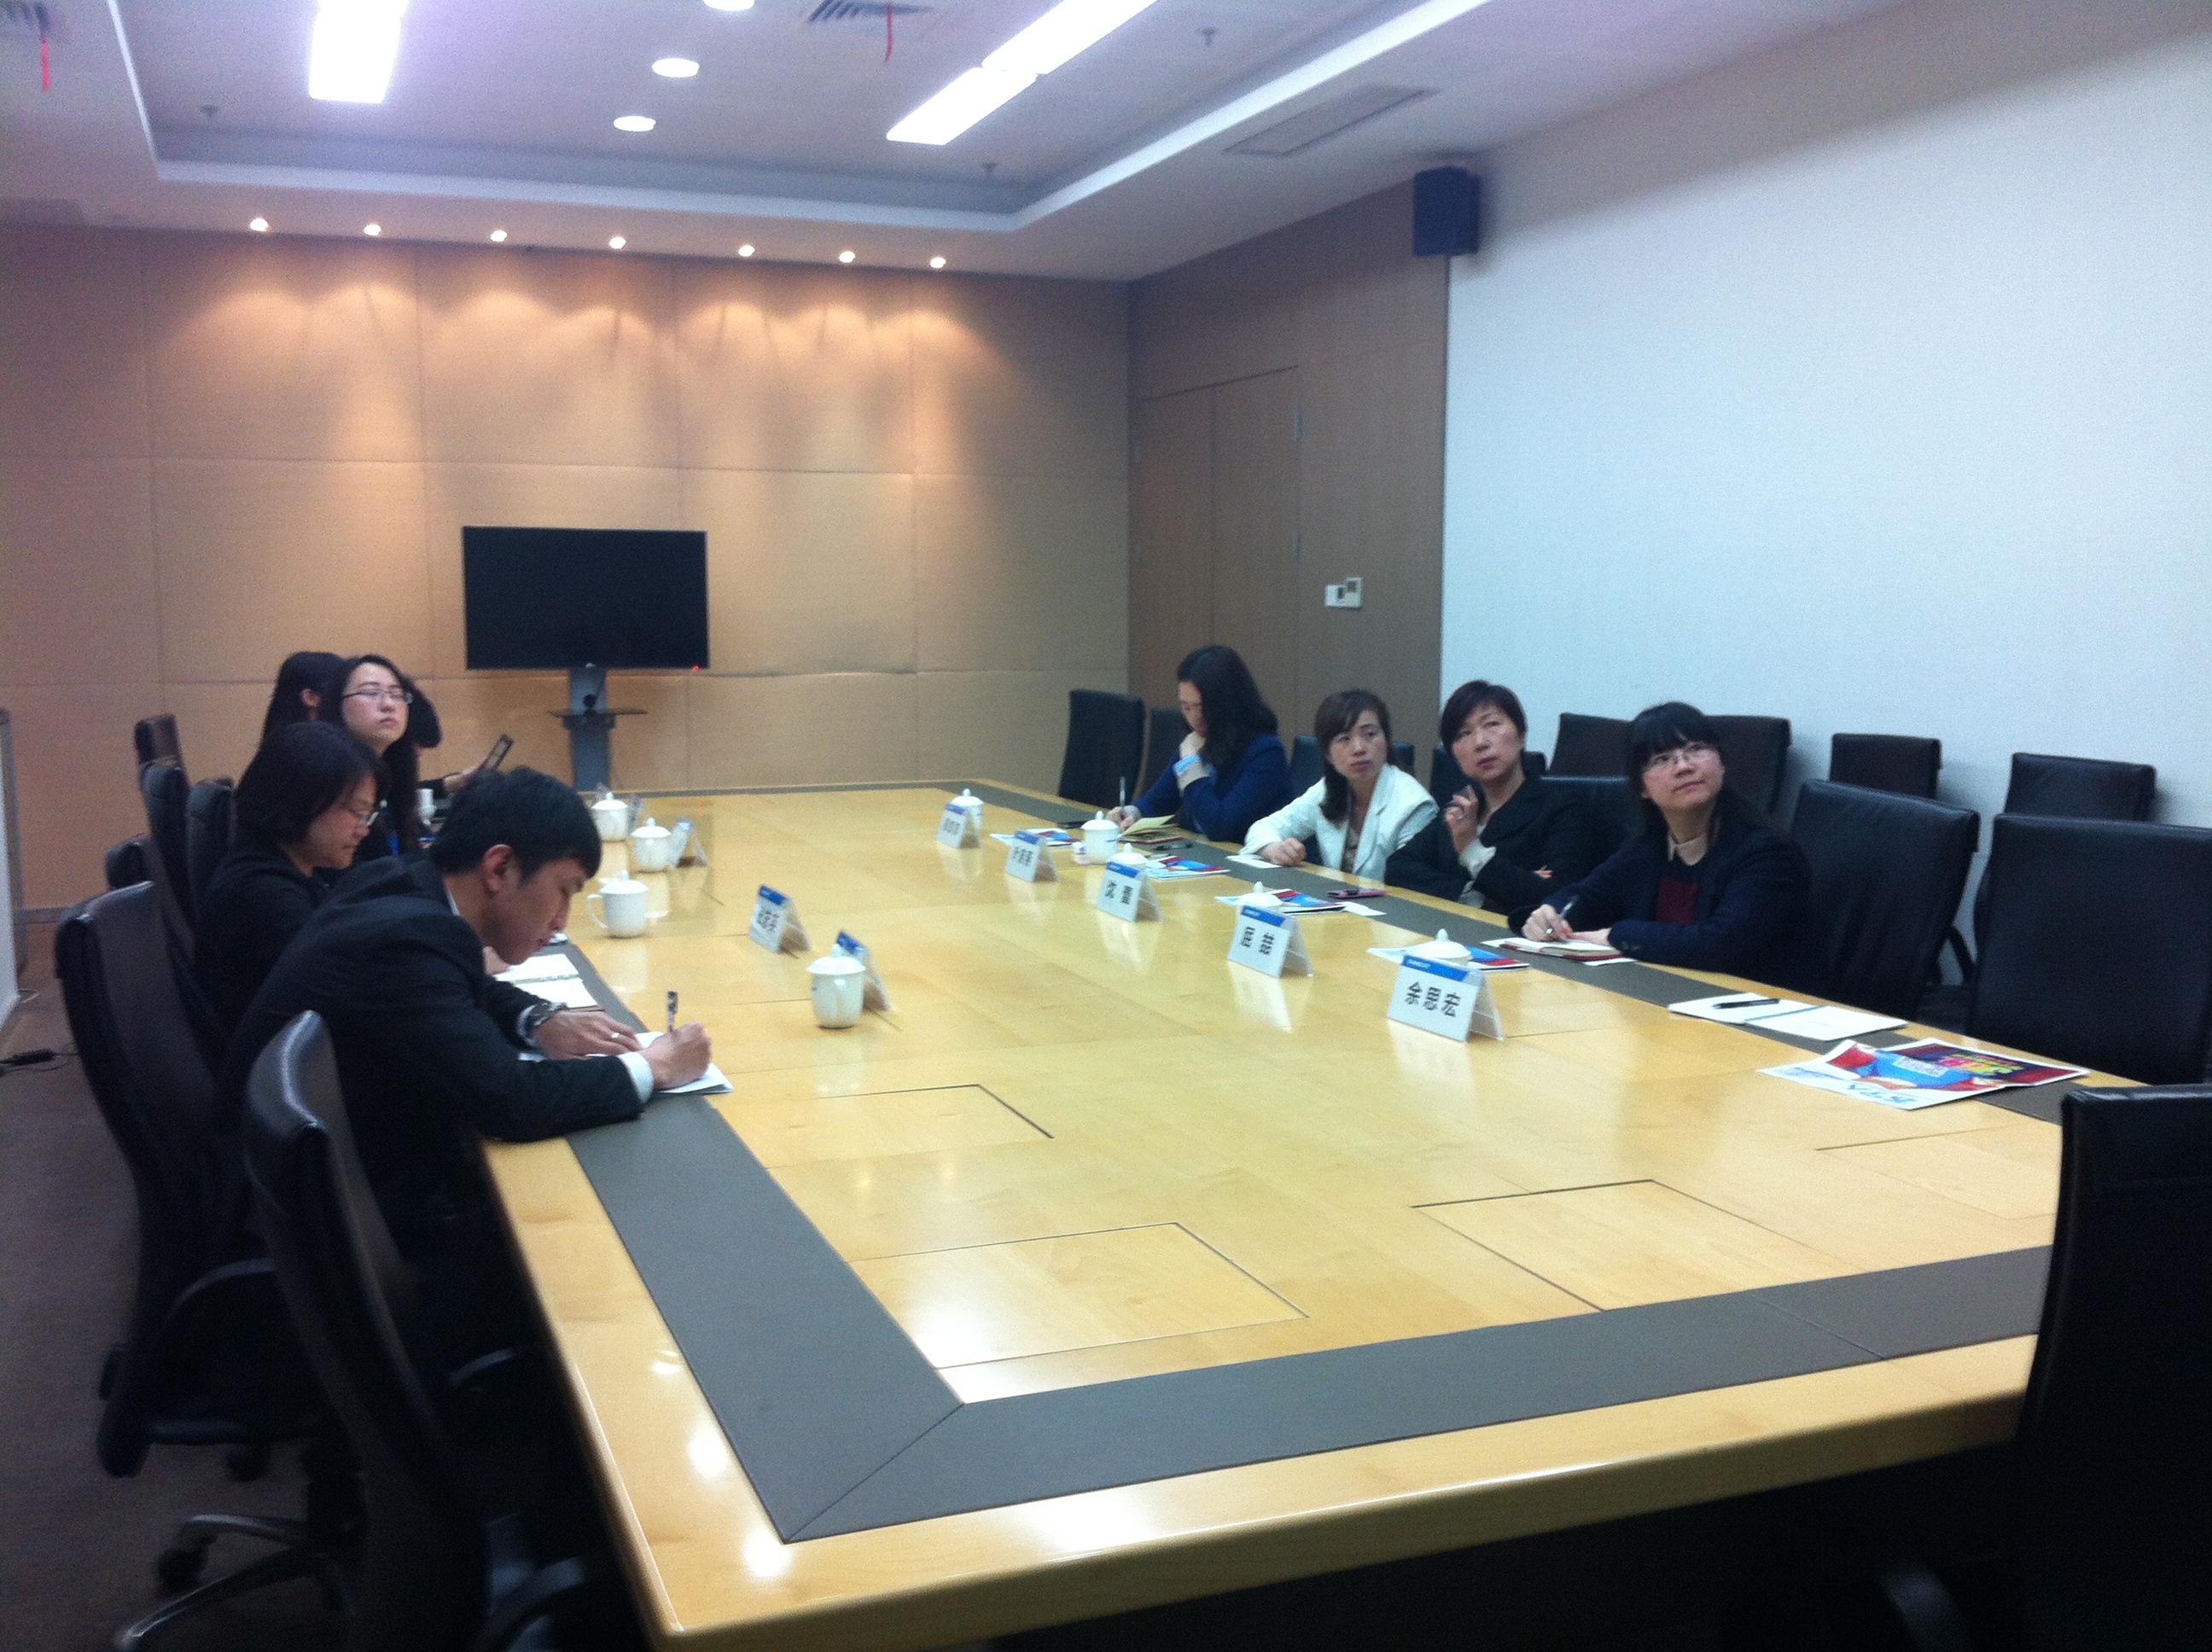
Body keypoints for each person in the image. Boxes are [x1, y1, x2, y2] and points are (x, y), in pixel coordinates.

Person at [219, 768, 710, 1342]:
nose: (561, 921)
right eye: (565, 890)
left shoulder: (402, 882)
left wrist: (539, 1020)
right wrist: (653, 1066)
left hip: (311, 1201)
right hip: (343, 1260)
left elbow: (447, 985)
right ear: (499, 868)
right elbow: (512, 1102)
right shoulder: (406, 941)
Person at [1522, 701, 1812, 984]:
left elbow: (1719, 944)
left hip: (1759, 1004)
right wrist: (1549, 913)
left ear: (1722, 763)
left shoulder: (1768, 853)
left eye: (1696, 749)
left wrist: (1617, 935)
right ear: (1642, 787)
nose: (1684, 766)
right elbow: (1585, 896)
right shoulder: (1646, 850)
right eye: (1662, 759)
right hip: (1671, 993)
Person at [194, 723, 383, 1034]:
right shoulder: (265, 898)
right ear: (302, 800)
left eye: (368, 816)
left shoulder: (279, 867)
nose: (363, 830)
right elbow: (345, 1002)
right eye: (356, 812)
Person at [1386, 681, 1604, 916]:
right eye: (1464, 733)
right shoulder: (1461, 808)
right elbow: (1398, 867)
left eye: (1492, 724)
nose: (1480, 742)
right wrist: (1474, 896)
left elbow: (1560, 898)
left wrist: (1471, 850)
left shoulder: (1563, 808)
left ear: (1521, 735)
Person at [1243, 690, 1435, 881]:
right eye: (1344, 738)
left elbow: (1408, 881)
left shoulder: (1414, 805)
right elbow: (1263, 828)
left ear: (1386, 740)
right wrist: (1275, 849)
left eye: (1370, 734)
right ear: (1327, 754)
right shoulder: (1329, 789)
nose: (1359, 748)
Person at [1112, 645, 1293, 842]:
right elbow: (1159, 801)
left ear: (1228, 702)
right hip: (1200, 853)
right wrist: (1132, 813)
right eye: (1185, 707)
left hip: (1243, 857)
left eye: (1201, 707)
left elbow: (1220, 826)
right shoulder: (1198, 740)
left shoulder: (1266, 752)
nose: (1194, 717)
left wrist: (1192, 767)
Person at [314, 653, 437, 858]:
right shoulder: (322, 774)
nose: (389, 704)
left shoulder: (395, 775)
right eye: (371, 693)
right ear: (337, 703)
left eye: (397, 695)